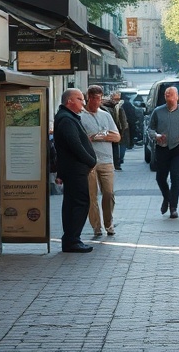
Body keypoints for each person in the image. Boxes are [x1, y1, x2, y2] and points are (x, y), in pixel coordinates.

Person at [53, 88, 98, 252]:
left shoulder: (69, 117)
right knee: (79, 203)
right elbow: (75, 145)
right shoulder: (66, 119)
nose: (83, 102)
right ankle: (72, 240)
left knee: (74, 202)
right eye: (80, 99)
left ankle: (72, 239)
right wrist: (91, 160)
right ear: (69, 101)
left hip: (74, 168)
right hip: (74, 169)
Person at [147, 85, 179, 219]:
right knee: (160, 178)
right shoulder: (158, 111)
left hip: (177, 148)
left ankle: (173, 207)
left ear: (177, 97)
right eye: (167, 96)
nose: (169, 99)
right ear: (165, 97)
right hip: (162, 149)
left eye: (172, 96)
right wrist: (156, 136)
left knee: (175, 177)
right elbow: (150, 129)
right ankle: (167, 198)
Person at [80, 85, 121, 236]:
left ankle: (109, 223)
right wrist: (94, 137)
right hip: (89, 161)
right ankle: (96, 227)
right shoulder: (81, 116)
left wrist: (100, 136)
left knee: (109, 193)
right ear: (88, 98)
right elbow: (84, 139)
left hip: (106, 160)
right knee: (92, 196)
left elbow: (117, 137)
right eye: (95, 99)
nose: (97, 102)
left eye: (100, 99)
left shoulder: (106, 115)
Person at [101, 91, 129, 170]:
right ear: (111, 98)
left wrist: (123, 129)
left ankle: (117, 163)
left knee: (116, 147)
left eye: (118, 99)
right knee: (113, 147)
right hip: (111, 130)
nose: (116, 101)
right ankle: (116, 163)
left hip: (117, 130)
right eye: (115, 99)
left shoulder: (119, 107)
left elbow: (123, 120)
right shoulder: (106, 108)